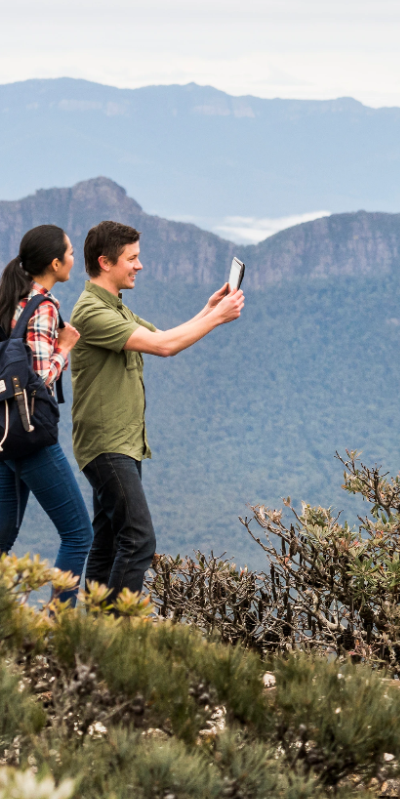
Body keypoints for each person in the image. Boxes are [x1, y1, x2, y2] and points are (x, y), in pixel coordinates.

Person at [70, 219, 244, 599]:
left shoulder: (114, 308)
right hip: (107, 445)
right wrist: (218, 317)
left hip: (122, 444)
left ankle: (96, 632)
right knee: (138, 538)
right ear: (105, 262)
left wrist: (208, 309)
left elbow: (162, 336)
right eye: (132, 258)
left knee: (111, 540)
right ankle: (119, 631)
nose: (139, 265)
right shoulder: (91, 313)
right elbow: (164, 347)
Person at [0, 224, 93, 602]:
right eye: (68, 253)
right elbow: (36, 380)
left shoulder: (6, 299)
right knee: (78, 534)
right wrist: (64, 348)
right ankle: (57, 625)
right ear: (54, 263)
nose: (72, 259)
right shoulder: (45, 307)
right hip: (28, 439)